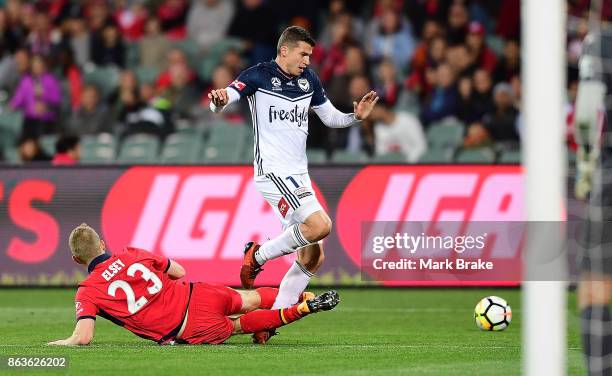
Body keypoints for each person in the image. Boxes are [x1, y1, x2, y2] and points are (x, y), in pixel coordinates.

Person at [208, 26, 377, 343]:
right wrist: (218, 101)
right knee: (320, 224)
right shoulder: (258, 75)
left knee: (313, 257)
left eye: (310, 55)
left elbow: (331, 119)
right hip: (271, 171)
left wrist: (356, 117)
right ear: (284, 50)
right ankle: (257, 256)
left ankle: (267, 323)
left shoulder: (309, 80)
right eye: (303, 53)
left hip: (299, 175)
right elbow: (224, 99)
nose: (307, 60)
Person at [48, 224, 339, 346]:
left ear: (76, 259)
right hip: (197, 294)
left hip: (187, 327)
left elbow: (83, 337)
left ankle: (304, 308)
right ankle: (299, 295)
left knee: (240, 325)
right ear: (102, 243)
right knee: (249, 299)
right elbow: (179, 270)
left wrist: (63, 343)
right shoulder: (132, 253)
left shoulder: (88, 291)